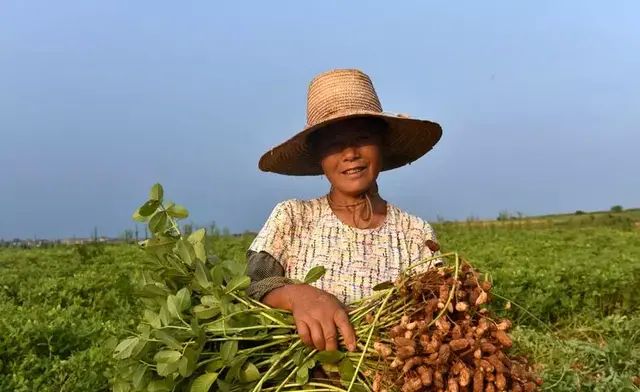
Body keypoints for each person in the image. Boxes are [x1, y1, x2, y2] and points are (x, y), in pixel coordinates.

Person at [246, 69, 443, 353]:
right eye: (333, 144)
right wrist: (298, 294)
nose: (350, 153)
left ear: (382, 145)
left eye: (362, 138)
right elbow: (252, 287)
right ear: (318, 157)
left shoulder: (415, 233)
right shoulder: (292, 217)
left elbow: (437, 315)